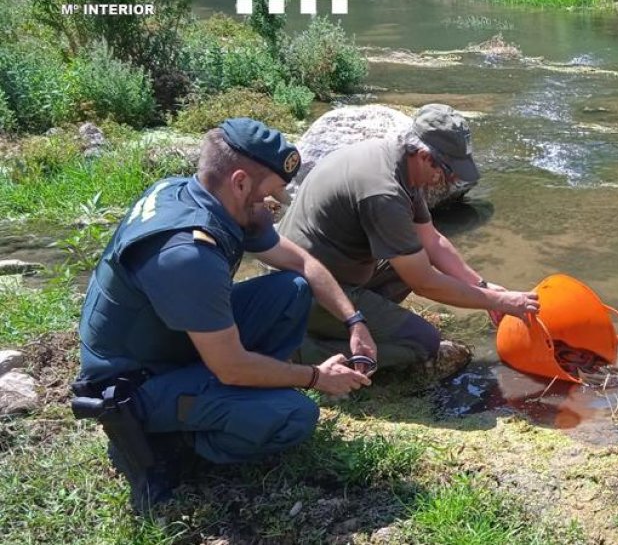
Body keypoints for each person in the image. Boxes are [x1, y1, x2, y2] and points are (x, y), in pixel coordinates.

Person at [74, 118, 373, 514]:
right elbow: (230, 366)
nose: (275, 206)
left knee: (291, 291)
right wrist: (318, 378)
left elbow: (302, 264)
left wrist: (355, 322)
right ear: (240, 183)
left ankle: (241, 396)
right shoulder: (186, 253)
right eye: (271, 195)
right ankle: (178, 443)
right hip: (135, 385)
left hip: (169, 345)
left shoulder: (195, 195)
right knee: (296, 415)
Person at [279, 103, 540, 379]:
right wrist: (502, 302)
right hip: (302, 293)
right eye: (448, 171)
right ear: (425, 155)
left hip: (327, 274)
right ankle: (299, 352)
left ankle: (347, 324)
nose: (449, 180)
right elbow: (424, 284)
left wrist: (483, 288)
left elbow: (431, 240)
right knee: (421, 342)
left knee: (414, 257)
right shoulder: (384, 193)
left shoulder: (399, 162)